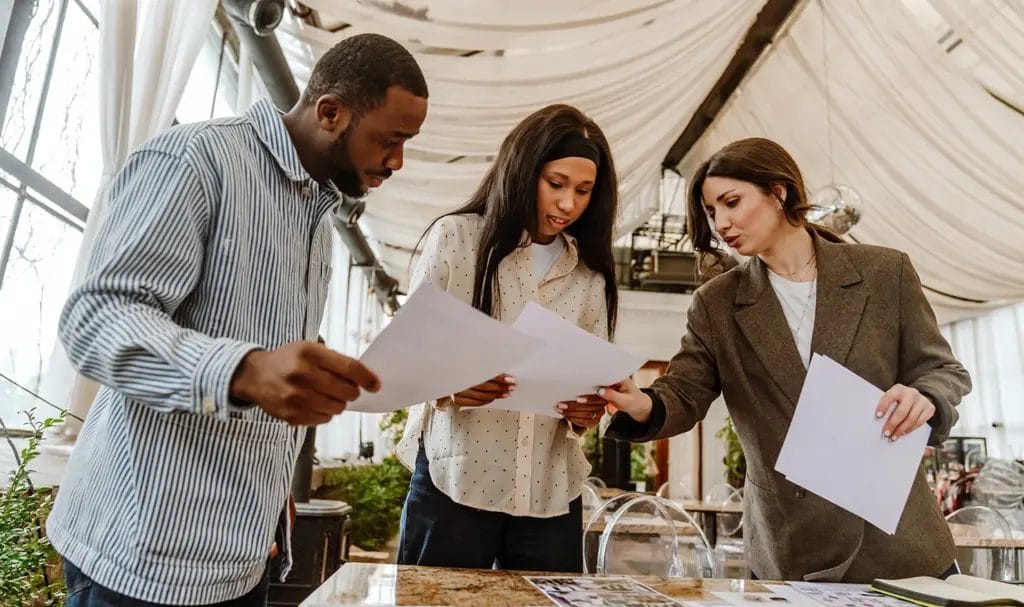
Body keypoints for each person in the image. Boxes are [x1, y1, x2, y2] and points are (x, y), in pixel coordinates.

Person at [50, 34, 428, 606]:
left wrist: (271, 484)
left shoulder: (316, 218)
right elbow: (96, 319)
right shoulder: (195, 160)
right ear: (331, 112)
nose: (397, 161)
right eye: (392, 139)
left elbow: (272, 360)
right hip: (140, 558)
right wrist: (244, 371)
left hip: (245, 556)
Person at [599, 137, 971, 583]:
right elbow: (685, 390)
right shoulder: (717, 303)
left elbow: (943, 369)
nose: (721, 223)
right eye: (712, 211)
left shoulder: (884, 273)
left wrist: (925, 395)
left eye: (731, 202)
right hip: (792, 545)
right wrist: (642, 403)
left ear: (779, 192)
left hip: (897, 539)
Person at [395, 104, 618, 572]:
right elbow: (403, 356)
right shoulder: (457, 240)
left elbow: (592, 383)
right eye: (555, 184)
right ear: (521, 171)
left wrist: (587, 411)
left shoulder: (589, 276)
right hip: (455, 479)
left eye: (583, 191)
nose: (568, 204)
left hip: (549, 490)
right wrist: (450, 386)